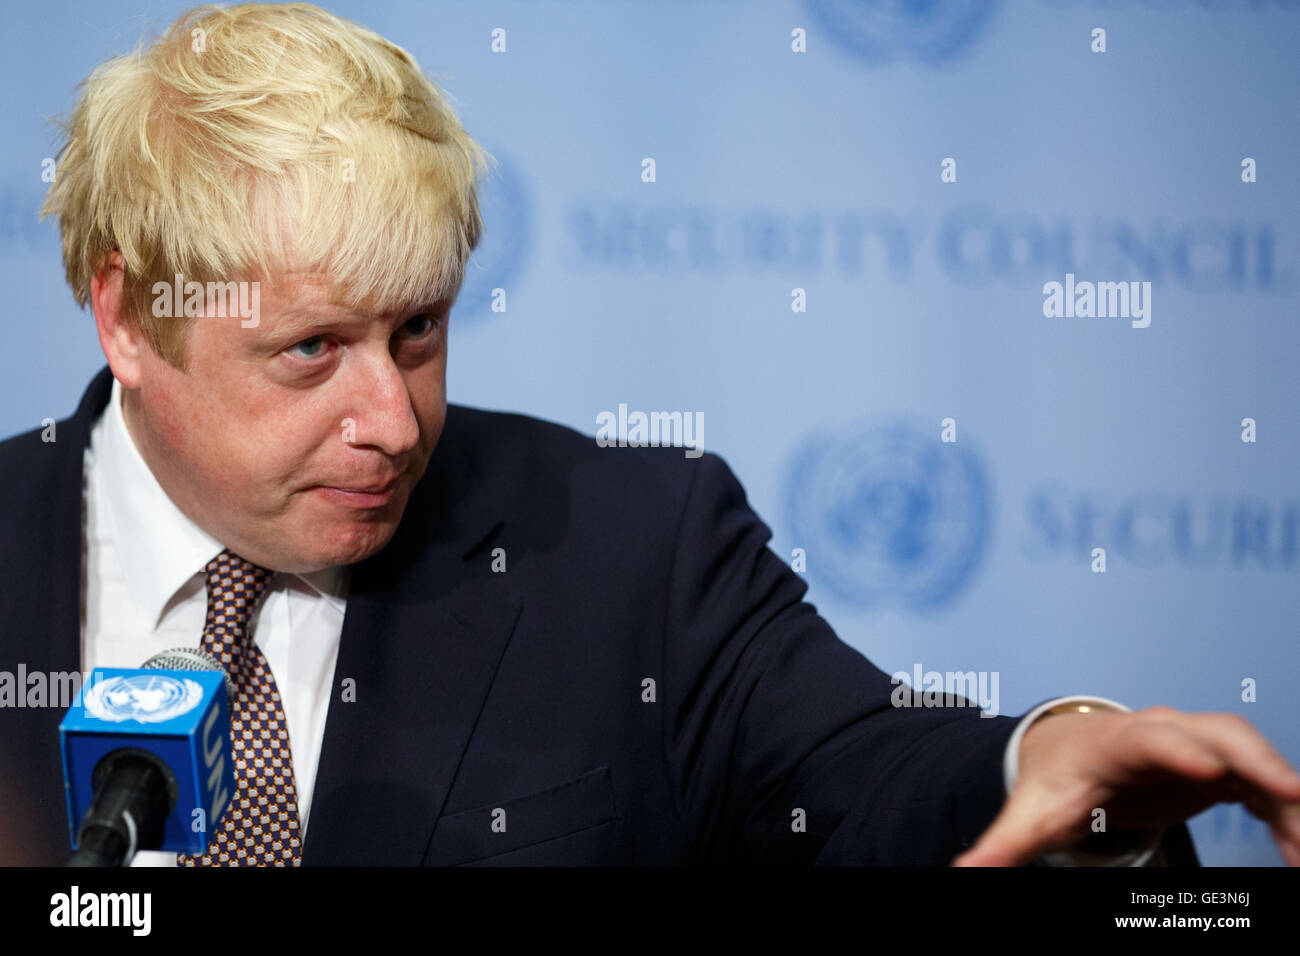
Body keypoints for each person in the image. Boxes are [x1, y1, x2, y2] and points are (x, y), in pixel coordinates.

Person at [2, 1, 1296, 866]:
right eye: (311, 351)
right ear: (129, 313)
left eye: (418, 334)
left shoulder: (629, 545)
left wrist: (1049, 757)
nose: (394, 421)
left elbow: (859, 772)